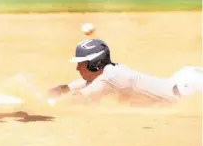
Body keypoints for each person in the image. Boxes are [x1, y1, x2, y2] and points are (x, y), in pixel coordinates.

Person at [48, 39, 203, 105]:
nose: (77, 68)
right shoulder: (106, 74)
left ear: (95, 63)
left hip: (188, 88)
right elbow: (71, 87)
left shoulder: (109, 78)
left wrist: (45, 105)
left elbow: (78, 98)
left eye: (81, 64)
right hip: (182, 80)